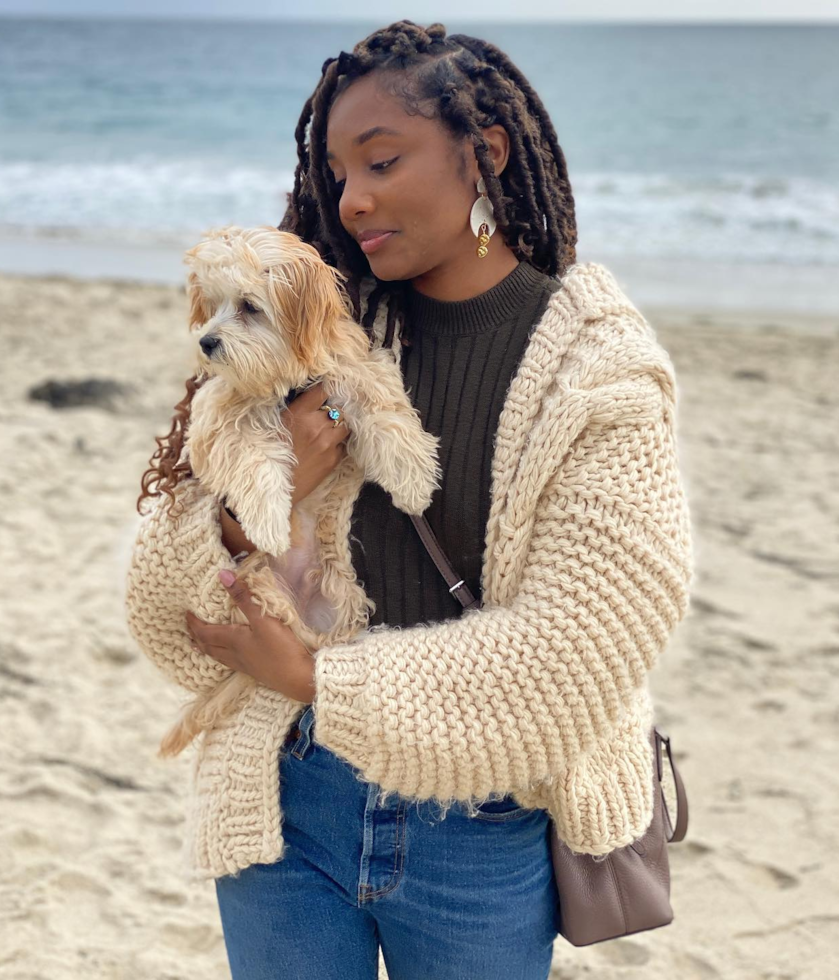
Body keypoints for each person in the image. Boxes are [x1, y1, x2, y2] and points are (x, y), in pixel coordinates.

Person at [124, 19, 694, 980]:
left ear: (487, 153)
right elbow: (160, 615)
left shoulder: (599, 373)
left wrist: (316, 680)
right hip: (285, 801)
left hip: (482, 829)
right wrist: (244, 515)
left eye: (382, 161)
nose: (351, 199)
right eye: (338, 172)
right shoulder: (307, 335)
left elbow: (577, 654)